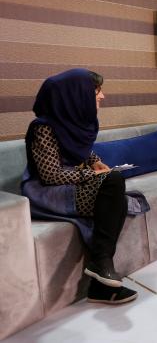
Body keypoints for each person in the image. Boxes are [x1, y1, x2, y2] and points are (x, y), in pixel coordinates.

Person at [22, 69, 138, 304]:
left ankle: (99, 283)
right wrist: (92, 173)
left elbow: (78, 150)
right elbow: (51, 175)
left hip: (71, 183)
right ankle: (101, 264)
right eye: (96, 91)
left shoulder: (73, 122)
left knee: (115, 195)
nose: (102, 96)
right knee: (113, 187)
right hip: (47, 192)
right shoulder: (43, 127)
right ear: (76, 95)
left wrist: (95, 161)